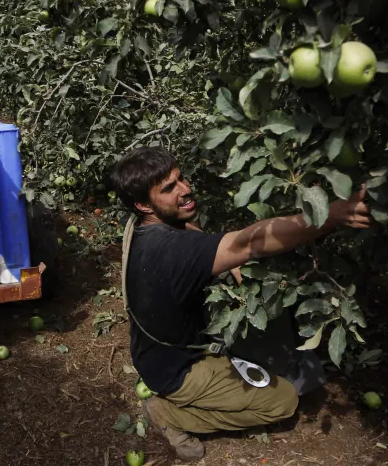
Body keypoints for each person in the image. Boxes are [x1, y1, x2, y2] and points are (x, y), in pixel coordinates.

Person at [111, 146, 372, 461]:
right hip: (179, 372)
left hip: (158, 351)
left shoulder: (145, 227)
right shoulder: (172, 251)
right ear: (143, 204)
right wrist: (330, 215)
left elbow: (193, 234)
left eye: (181, 178)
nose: (185, 189)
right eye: (169, 189)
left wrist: (226, 259)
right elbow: (251, 242)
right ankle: (169, 414)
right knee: (283, 401)